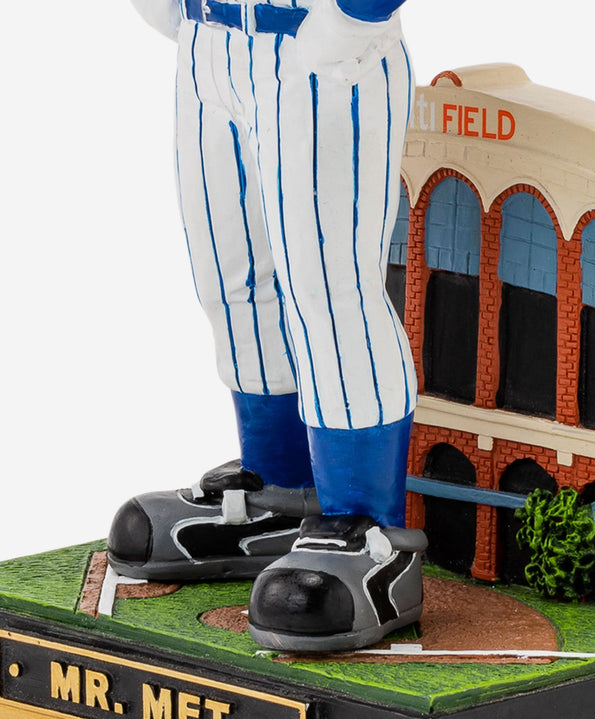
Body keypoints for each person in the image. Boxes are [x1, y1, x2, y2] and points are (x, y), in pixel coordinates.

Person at [109, 0, 426, 651]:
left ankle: (370, 531)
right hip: (207, 41)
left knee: (328, 290)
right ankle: (280, 495)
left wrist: (355, 19)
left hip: (316, 48)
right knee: (228, 276)